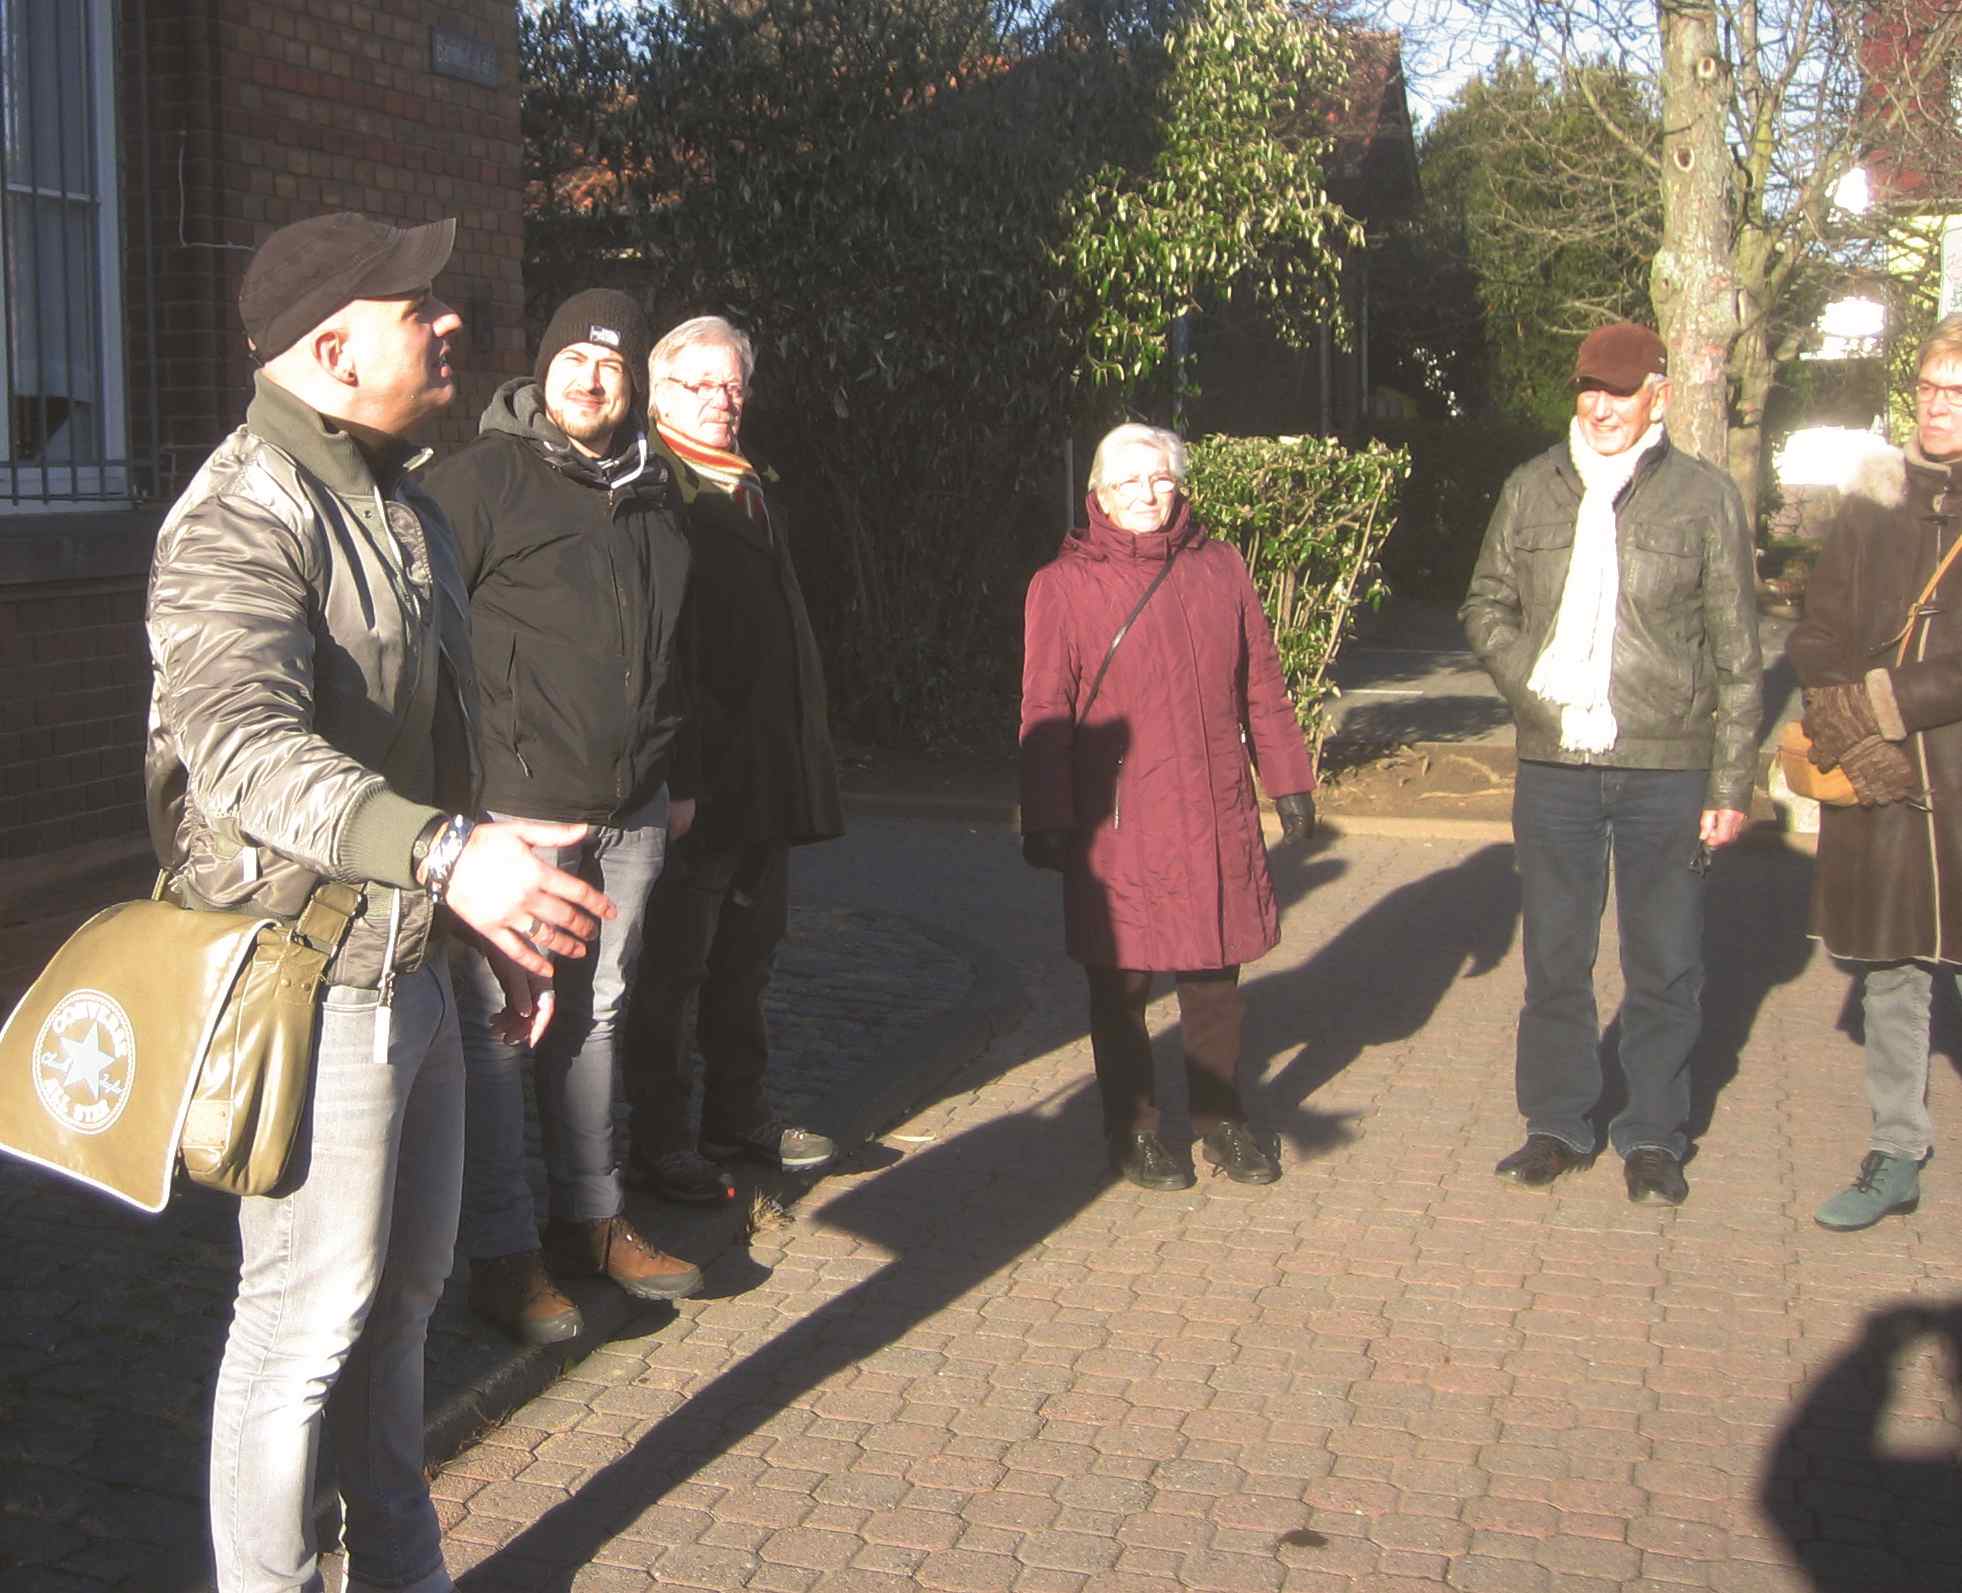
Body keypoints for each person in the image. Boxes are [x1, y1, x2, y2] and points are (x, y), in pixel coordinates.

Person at [147, 212, 616, 1593]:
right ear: (334, 350)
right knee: (301, 1327)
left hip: (417, 962)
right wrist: (450, 857)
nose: (450, 320)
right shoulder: (238, 513)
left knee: (401, 1312)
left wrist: (484, 918)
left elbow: (436, 752)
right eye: (417, 305)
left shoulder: (406, 503)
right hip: (306, 976)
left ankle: (403, 1573)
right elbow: (242, 751)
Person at [424, 289, 702, 1345]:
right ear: (543, 371)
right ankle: (503, 1256)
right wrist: (458, 809)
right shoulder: (480, 482)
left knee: (599, 1015)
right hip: (516, 818)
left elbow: (679, 649)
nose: (591, 379)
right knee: (505, 1033)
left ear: (634, 388)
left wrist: (676, 775)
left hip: (631, 809)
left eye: (612, 365)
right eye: (575, 360)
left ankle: (589, 1215)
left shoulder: (657, 495)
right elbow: (423, 647)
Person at [1461, 321, 1762, 1207]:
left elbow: (1739, 655)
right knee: (1555, 956)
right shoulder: (1532, 487)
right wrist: (1534, 685)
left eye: (1620, 391)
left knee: (1665, 962)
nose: (1600, 407)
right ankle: (1556, 1122)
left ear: (1657, 396)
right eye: (1589, 388)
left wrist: (1731, 782)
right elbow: (1485, 606)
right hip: (1555, 761)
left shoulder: (1704, 497)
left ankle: (1654, 1134)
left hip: (1667, 763)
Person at [1018, 422, 1315, 1191]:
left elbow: (1262, 683)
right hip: (1118, 819)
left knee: (1214, 979)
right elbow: (1045, 708)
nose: (1146, 494)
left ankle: (1223, 1122)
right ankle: (1135, 1131)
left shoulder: (1222, 567)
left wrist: (1289, 780)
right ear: (1099, 494)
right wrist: (1046, 815)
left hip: (1213, 805)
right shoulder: (1062, 585)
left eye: (1159, 478)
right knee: (1121, 987)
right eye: (1128, 481)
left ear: (1179, 484)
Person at [621, 315, 845, 1203]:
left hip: (764, 769)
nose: (721, 399)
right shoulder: (654, 485)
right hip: (696, 774)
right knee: (674, 968)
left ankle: (738, 1115)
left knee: (749, 955)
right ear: (659, 394)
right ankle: (660, 1141)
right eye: (699, 384)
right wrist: (681, 772)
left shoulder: (752, 483)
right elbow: (663, 644)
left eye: (732, 385)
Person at [1788, 313, 1962, 1231]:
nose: (1938, 406)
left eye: (1957, 392)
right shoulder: (1873, 498)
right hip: (1881, 778)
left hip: (1953, 779)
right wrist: (1837, 708)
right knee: (1893, 970)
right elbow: (1817, 623)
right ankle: (1896, 1153)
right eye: (1930, 387)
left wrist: (1889, 699)